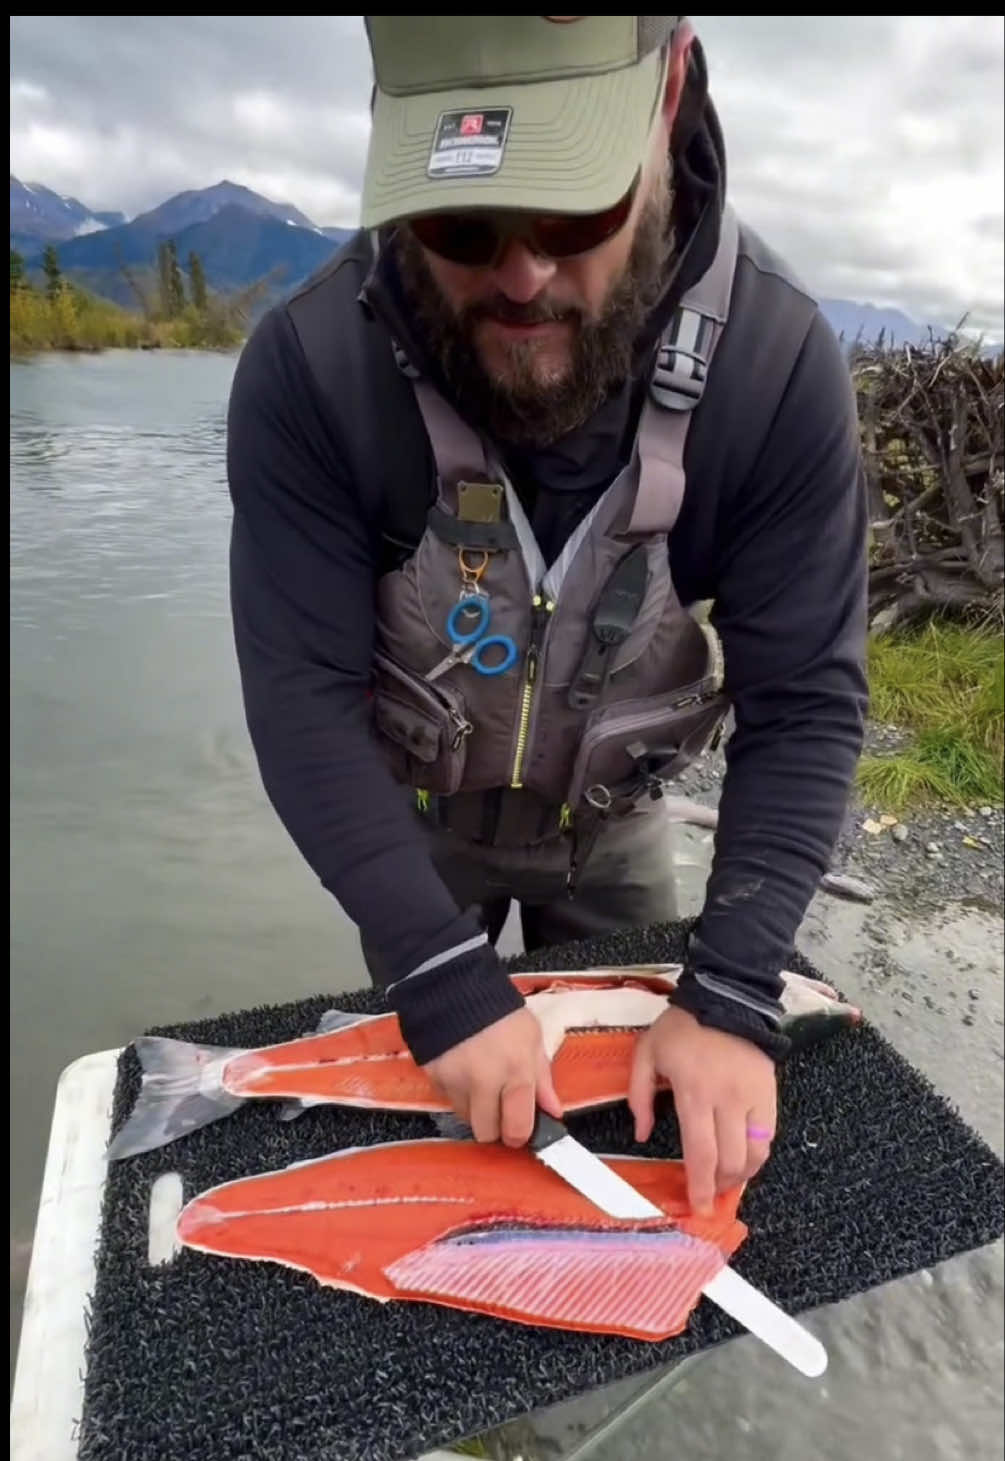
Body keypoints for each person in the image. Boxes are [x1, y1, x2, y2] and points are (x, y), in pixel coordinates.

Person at [225, 16, 869, 1215]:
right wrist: (433, 966)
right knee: (451, 1120)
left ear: (670, 94)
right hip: (410, 830)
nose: (521, 276)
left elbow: (807, 705)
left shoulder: (775, 370)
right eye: (460, 223)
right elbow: (302, 698)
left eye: (573, 210)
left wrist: (729, 993)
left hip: (619, 831)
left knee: (653, 1145)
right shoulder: (309, 370)